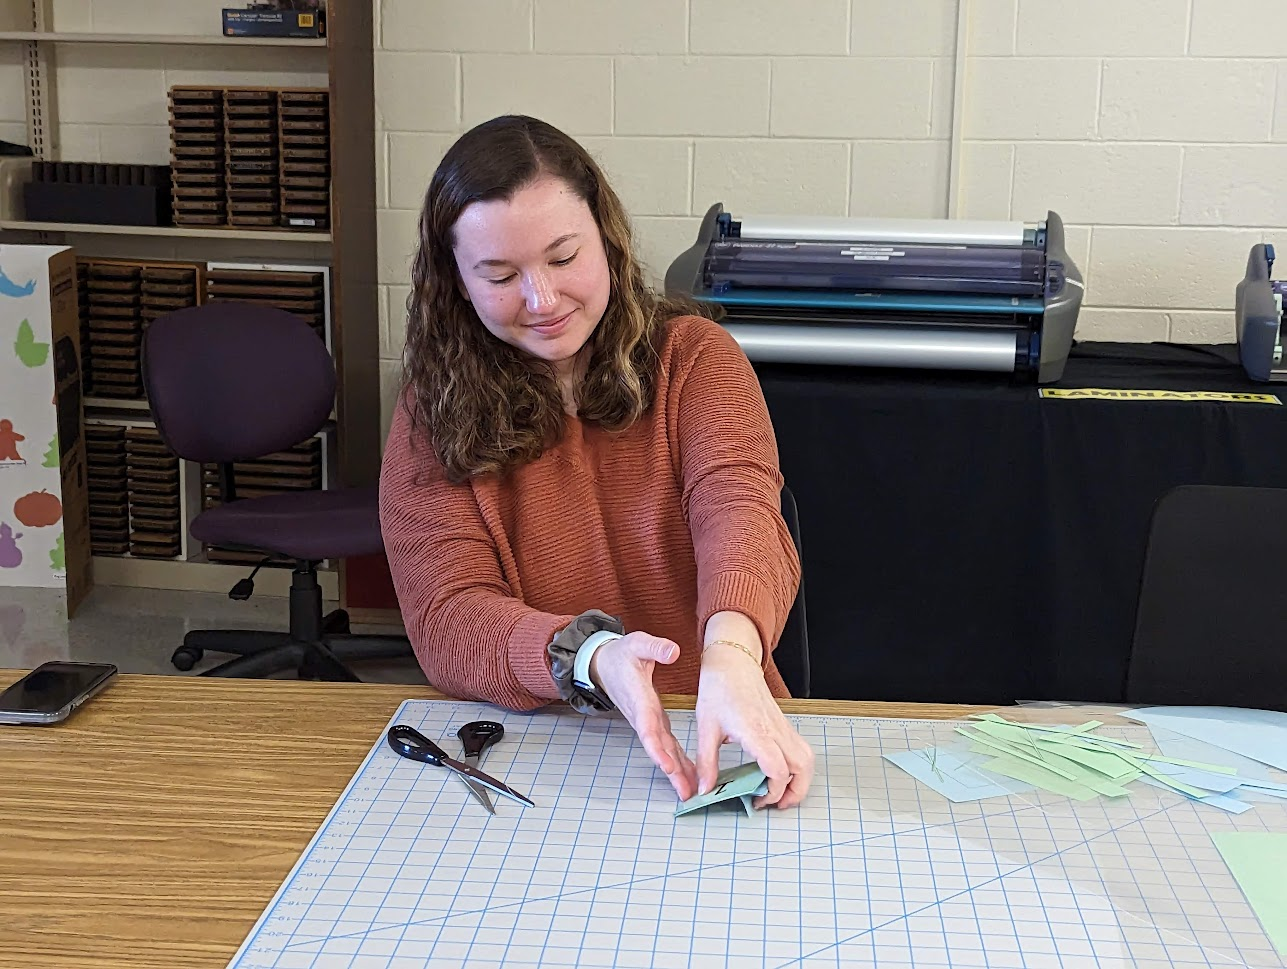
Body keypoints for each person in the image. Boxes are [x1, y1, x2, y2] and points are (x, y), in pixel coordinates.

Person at [379, 115, 814, 810]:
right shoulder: (431, 413)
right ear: (456, 282)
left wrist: (730, 653)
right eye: (498, 274)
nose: (542, 300)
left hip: (722, 729)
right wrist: (589, 655)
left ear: (607, 242)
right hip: (544, 751)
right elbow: (446, 617)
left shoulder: (694, 359)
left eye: (562, 258)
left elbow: (737, 509)